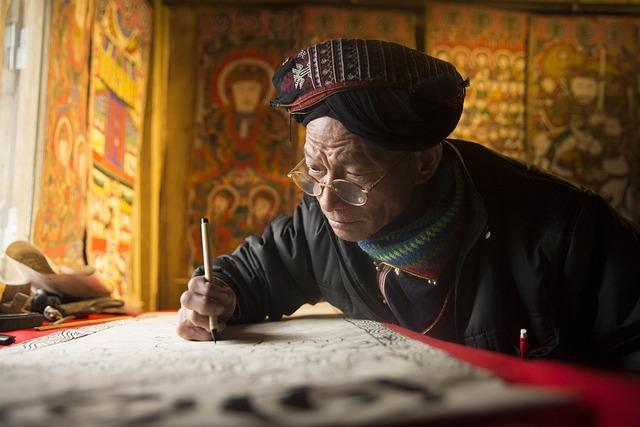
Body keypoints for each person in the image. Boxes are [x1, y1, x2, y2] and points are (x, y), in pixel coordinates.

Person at [177, 38, 640, 371]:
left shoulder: (565, 231)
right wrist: (214, 295)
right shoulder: (320, 221)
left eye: (354, 175)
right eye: (314, 169)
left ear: (423, 161)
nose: (327, 197)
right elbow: (249, 275)